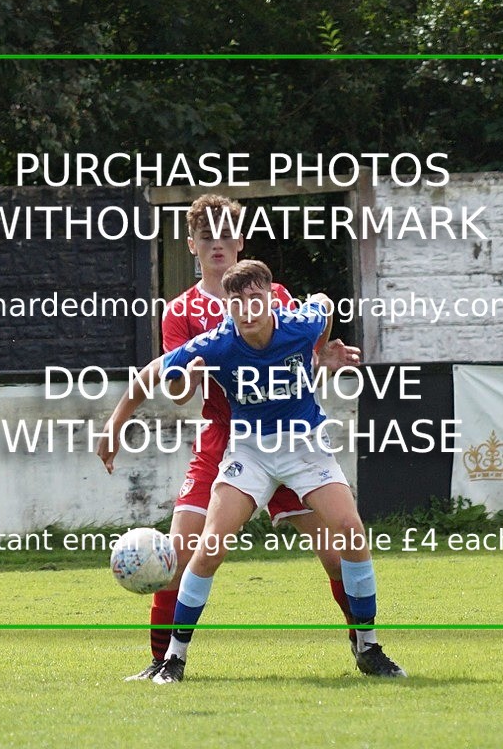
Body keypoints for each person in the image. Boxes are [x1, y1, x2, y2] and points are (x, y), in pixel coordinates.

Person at [98, 194, 362, 680]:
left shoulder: (274, 295)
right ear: (192, 245)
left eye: (225, 235)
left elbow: (298, 362)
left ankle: (365, 645)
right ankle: (162, 664)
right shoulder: (182, 312)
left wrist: (321, 358)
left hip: (288, 435)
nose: (217, 244)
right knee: (178, 556)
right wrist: (179, 386)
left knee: (334, 553)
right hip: (226, 440)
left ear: (240, 241)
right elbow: (176, 392)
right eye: (206, 236)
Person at [151, 259, 406, 684]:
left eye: (255, 299)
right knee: (209, 547)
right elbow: (160, 376)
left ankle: (368, 645)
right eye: (238, 303)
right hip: (249, 453)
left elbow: (323, 303)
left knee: (351, 532)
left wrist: (316, 353)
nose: (248, 309)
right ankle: (173, 658)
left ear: (271, 297)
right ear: (228, 308)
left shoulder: (298, 325)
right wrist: (117, 424)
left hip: (304, 447)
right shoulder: (217, 342)